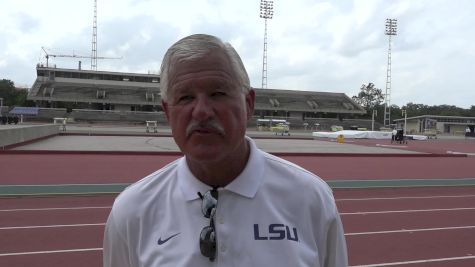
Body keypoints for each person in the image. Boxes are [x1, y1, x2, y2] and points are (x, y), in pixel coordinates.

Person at [103, 34, 348, 267]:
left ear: (249, 104)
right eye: (185, 98)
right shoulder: (132, 211)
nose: (201, 111)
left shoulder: (310, 198)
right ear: (168, 112)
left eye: (218, 93)